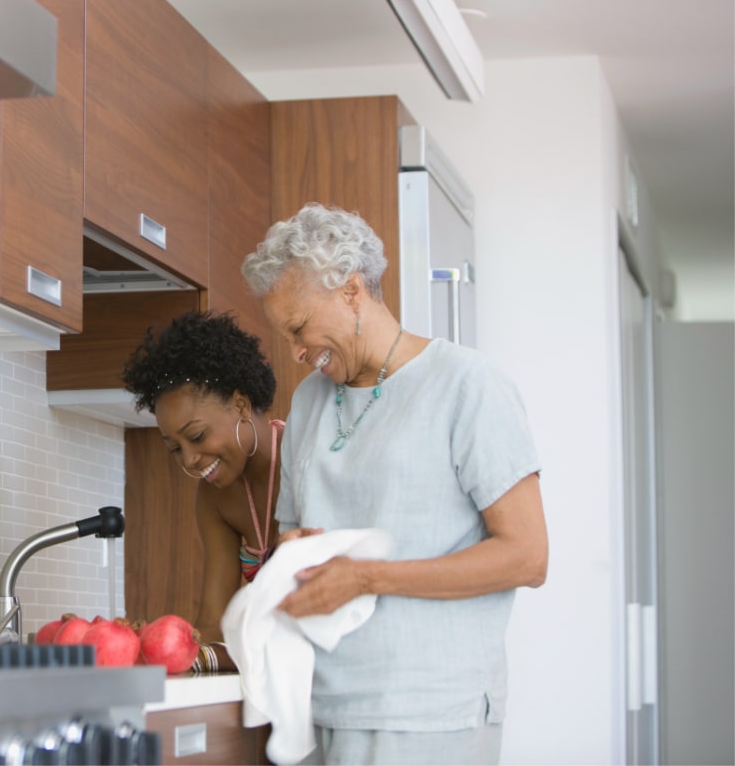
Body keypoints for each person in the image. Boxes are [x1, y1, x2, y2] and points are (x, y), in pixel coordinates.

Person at [239, 202, 548, 766]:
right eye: (285, 335)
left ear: (352, 291)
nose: (297, 351)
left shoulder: (467, 385)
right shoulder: (310, 400)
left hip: (427, 714)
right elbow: (292, 538)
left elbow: (527, 557)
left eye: (300, 328)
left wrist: (367, 577)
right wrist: (292, 554)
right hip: (318, 709)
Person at [121, 309, 284, 672]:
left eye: (196, 436)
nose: (190, 461)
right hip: (281, 676)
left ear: (241, 404)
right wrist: (173, 658)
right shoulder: (215, 499)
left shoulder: (300, 457)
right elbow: (213, 623)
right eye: (175, 448)